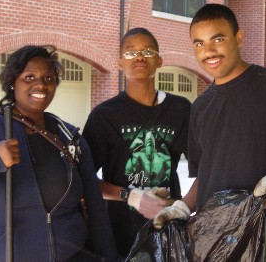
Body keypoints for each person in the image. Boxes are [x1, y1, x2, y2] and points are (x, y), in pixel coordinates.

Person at [153, 4, 266, 261]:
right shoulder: (200, 107)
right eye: (198, 44)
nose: (208, 51)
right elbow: (205, 175)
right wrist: (182, 206)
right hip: (217, 245)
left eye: (218, 39)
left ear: (239, 38)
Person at [0, 45, 118, 261]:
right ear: (12, 82)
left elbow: (96, 209)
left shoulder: (70, 137)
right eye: (29, 77)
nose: (40, 84)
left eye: (49, 78)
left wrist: (108, 257)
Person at [82, 28, 191, 257]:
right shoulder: (104, 116)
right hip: (119, 234)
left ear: (159, 60)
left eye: (147, 51)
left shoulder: (181, 109)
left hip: (168, 230)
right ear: (120, 63)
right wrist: (130, 196)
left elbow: (207, 168)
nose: (139, 57)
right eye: (131, 53)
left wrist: (182, 205)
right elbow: (83, 179)